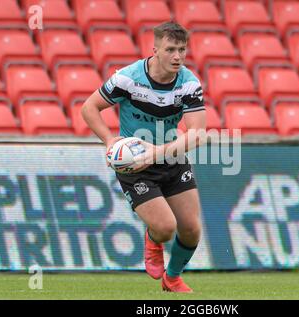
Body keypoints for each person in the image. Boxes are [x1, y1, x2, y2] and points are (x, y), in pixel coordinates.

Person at [81, 21, 206, 293]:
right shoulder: (128, 78)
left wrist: (158, 153)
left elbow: (198, 134)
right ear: (155, 50)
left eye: (182, 50)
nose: (177, 56)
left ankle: (171, 278)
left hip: (170, 156)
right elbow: (90, 107)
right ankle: (153, 238)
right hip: (135, 164)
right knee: (164, 228)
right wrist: (110, 140)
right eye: (170, 49)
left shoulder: (189, 83)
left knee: (191, 229)